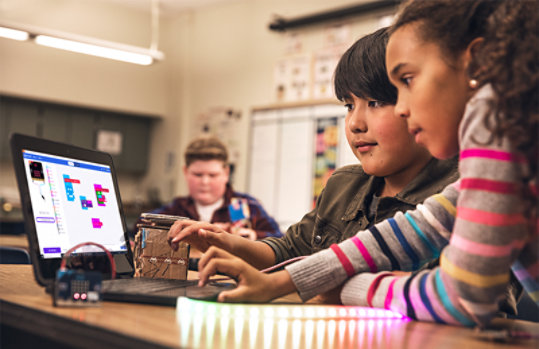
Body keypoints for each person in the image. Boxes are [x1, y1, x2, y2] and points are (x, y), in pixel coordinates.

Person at [195, 0, 537, 328]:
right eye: (348, 105)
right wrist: (281, 282)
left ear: (474, 65)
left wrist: (345, 289)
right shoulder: (495, 157)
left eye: (405, 83)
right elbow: (411, 232)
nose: (403, 108)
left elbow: (465, 298)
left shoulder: (496, 129)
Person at [168, 28, 458, 271]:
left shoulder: (463, 194)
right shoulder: (343, 186)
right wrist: (226, 242)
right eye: (348, 106)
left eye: (376, 103)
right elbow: (288, 251)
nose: (355, 123)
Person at [140, 136, 281, 245]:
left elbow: (281, 240)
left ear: (226, 173)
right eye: (198, 175)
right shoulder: (177, 208)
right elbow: (140, 226)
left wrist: (254, 236)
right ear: (185, 172)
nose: (205, 182)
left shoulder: (245, 206)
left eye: (213, 175)